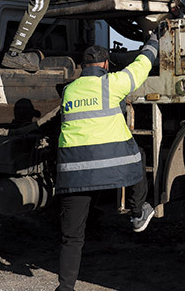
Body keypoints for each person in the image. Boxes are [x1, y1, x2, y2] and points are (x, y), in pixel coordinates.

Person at [55, 42, 157, 291]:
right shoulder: (112, 83)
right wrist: (153, 44)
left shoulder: (68, 90)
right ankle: (137, 212)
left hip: (74, 175)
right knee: (138, 156)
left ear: (82, 66)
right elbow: (141, 67)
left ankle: (65, 288)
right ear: (105, 65)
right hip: (114, 168)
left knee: (72, 238)